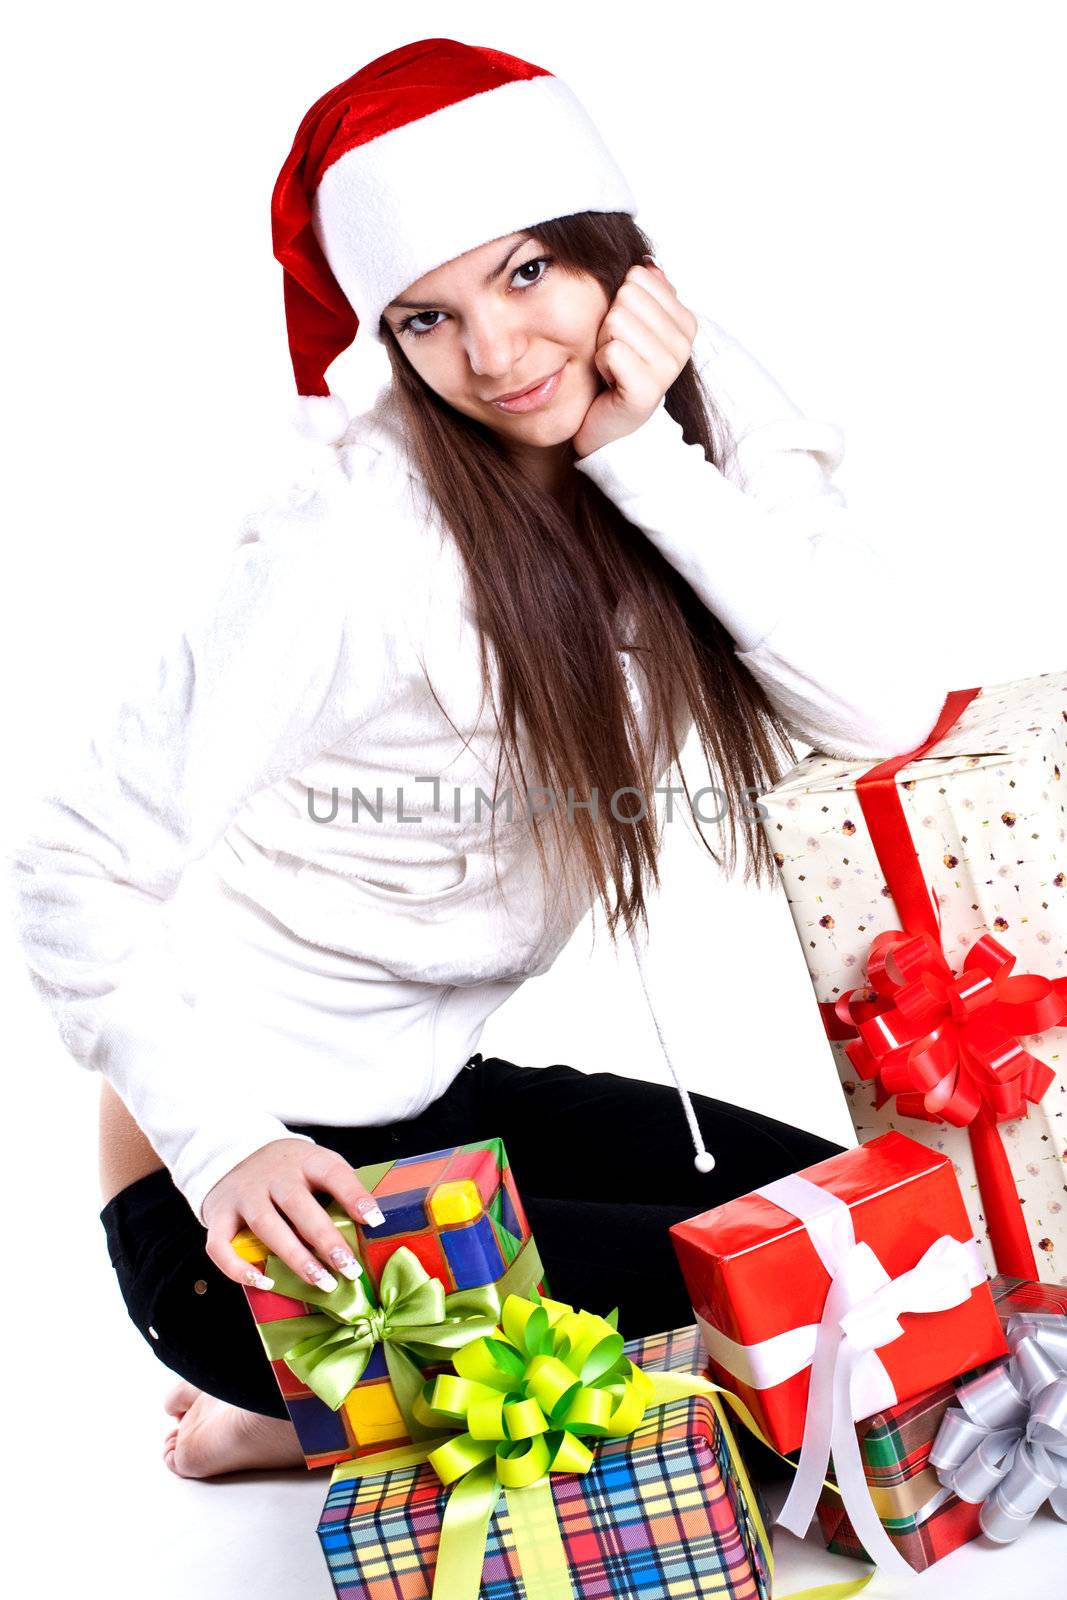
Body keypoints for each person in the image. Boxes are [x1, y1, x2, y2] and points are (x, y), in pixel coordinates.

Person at [7, 38, 949, 1482]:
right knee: (793, 1334)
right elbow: (69, 854)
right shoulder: (355, 547)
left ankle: (341, 1415)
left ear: (613, 260)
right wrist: (222, 1150)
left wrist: (647, 455)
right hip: (251, 1211)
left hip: (443, 1116)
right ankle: (299, 1395)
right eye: (427, 318)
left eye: (525, 275)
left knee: (884, 1238)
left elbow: (879, 703)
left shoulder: (676, 393)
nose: (497, 357)